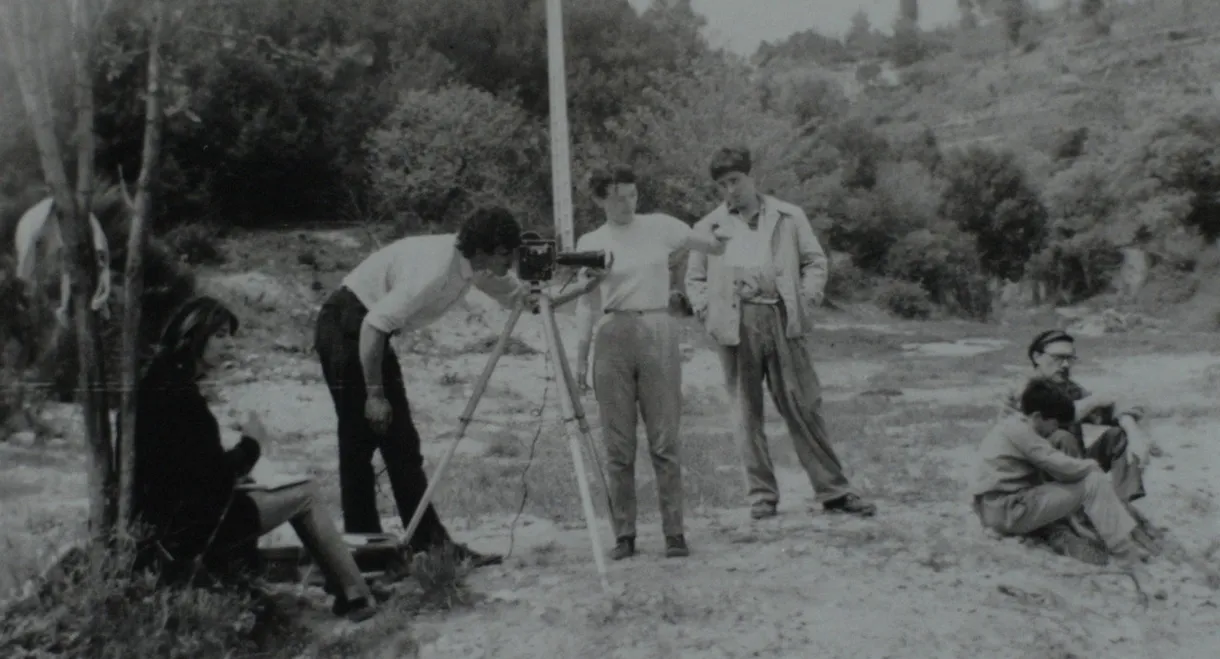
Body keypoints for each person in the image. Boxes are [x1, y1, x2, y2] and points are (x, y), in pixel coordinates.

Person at [131, 296, 379, 622]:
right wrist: (252, 444)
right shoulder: (181, 397)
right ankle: (357, 597)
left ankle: (343, 586)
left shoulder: (160, 382)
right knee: (306, 492)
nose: (228, 344)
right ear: (193, 336)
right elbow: (213, 478)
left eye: (229, 335)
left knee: (283, 491)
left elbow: (189, 470)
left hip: (169, 521)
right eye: (219, 335)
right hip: (197, 527)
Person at [314, 206, 529, 567]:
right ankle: (367, 557)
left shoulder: (474, 265)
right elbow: (374, 324)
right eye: (507, 254)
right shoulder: (435, 268)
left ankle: (430, 546)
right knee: (359, 444)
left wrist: (584, 286)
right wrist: (375, 394)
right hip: (349, 327)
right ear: (486, 250)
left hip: (369, 331)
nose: (513, 261)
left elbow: (521, 298)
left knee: (402, 445)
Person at [686, 146, 876, 521]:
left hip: (781, 316)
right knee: (745, 411)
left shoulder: (789, 217)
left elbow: (815, 261)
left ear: (751, 177)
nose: (730, 190)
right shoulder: (708, 227)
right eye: (722, 184)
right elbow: (695, 278)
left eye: (735, 180)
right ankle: (761, 495)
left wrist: (805, 299)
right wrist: (709, 312)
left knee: (803, 404)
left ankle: (834, 490)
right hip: (735, 324)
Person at [566, 165, 730, 561]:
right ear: (600, 199)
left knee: (664, 439)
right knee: (618, 445)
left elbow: (713, 245)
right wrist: (580, 358)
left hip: (658, 328)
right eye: (618, 196)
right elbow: (586, 305)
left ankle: (674, 532)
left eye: (633, 194)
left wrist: (724, 226)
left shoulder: (660, 226)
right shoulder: (591, 240)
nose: (627, 203)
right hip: (611, 335)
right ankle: (624, 534)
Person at [971, 377, 1160, 565]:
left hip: (997, 508)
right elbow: (1061, 466)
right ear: (1037, 417)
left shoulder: (1015, 423)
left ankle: (1109, 538)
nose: (1055, 428)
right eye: (1053, 423)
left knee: (1086, 479)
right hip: (1008, 510)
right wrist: (1091, 466)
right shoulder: (1022, 432)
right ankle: (1124, 551)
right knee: (1093, 482)